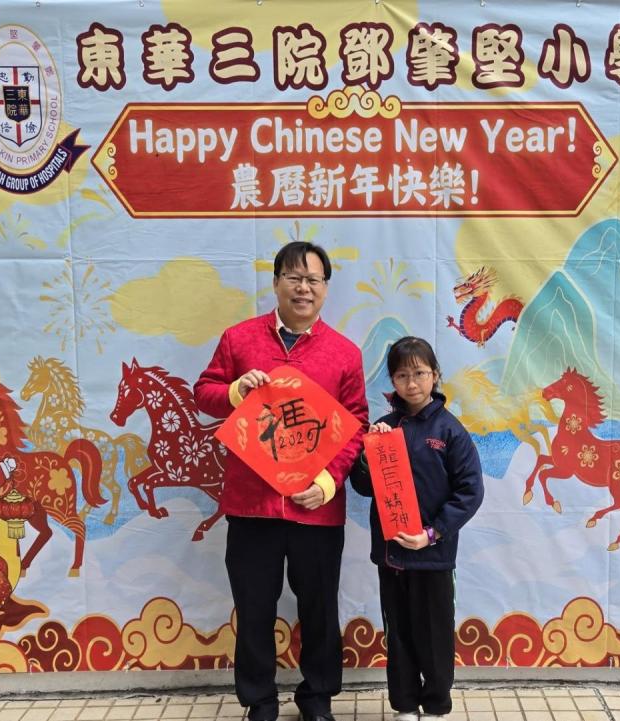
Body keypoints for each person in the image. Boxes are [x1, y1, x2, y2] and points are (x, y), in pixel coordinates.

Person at [194, 241, 369, 721]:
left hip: (317, 508)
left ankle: (318, 698)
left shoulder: (344, 354)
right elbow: (203, 393)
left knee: (319, 608)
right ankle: (260, 701)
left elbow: (356, 425)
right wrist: (234, 391)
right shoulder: (239, 340)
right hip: (252, 505)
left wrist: (329, 484)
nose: (303, 288)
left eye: (313, 280)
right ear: (275, 283)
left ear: (325, 289)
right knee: (254, 608)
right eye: (294, 277)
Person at [349, 337, 483, 721]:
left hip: (434, 555)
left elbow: (470, 492)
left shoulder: (449, 430)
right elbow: (363, 487)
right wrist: (367, 455)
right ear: (392, 379)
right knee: (399, 634)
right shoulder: (385, 429)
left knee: (435, 635)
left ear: (435, 375)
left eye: (420, 373)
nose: (412, 383)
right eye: (402, 375)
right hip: (392, 555)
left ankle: (437, 706)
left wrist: (432, 533)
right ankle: (405, 706)